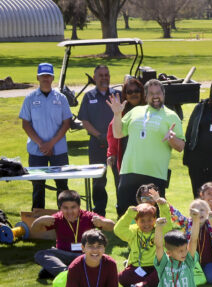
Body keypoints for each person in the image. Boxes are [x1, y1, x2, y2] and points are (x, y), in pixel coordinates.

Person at [106, 79, 184, 216]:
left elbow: (180, 146)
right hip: (129, 171)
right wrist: (117, 114)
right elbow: (118, 133)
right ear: (146, 96)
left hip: (155, 174)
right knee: (126, 213)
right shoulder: (135, 111)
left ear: (163, 94)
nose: (155, 96)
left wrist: (172, 139)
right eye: (151, 93)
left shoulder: (172, 116)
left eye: (158, 92)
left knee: (153, 215)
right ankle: (127, 238)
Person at [144, 208, 207, 287]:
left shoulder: (188, 261)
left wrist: (195, 220)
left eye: (185, 249)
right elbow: (159, 246)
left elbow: (193, 240)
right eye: (180, 251)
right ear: (169, 252)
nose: (184, 253)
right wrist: (158, 227)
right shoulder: (164, 262)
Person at [20, 62, 72, 209]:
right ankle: (38, 222)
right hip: (37, 151)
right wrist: (42, 144)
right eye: (43, 75)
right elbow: (26, 124)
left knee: (62, 186)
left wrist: (51, 144)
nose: (46, 78)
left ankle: (64, 219)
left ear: (53, 77)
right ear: (37, 77)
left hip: (59, 150)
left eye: (48, 75)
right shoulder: (29, 98)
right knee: (38, 187)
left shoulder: (61, 98)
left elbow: (66, 123)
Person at [32, 189, 115, 279]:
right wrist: (39, 221)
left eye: (73, 207)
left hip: (84, 255)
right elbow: (34, 230)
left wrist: (102, 222)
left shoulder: (88, 216)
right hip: (64, 255)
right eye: (65, 208)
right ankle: (67, 272)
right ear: (60, 208)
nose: (70, 212)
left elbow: (112, 226)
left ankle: (62, 272)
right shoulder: (57, 218)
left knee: (97, 257)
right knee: (40, 254)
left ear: (79, 206)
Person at [78, 65, 119, 216]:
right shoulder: (88, 97)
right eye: (101, 75)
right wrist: (100, 136)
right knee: (98, 180)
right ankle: (99, 212)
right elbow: (85, 121)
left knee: (120, 178)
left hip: (117, 145)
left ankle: (122, 210)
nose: (104, 78)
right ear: (94, 78)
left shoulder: (117, 95)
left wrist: (112, 138)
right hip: (97, 143)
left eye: (106, 75)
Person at [114, 202, 163, 287]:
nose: (146, 224)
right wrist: (129, 214)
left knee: (164, 272)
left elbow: (168, 225)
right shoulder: (133, 231)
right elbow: (118, 230)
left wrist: (164, 207)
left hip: (155, 266)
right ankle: (151, 282)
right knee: (122, 278)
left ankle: (142, 286)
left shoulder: (159, 229)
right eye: (142, 221)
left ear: (155, 219)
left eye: (150, 220)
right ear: (136, 221)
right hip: (138, 266)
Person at [106, 77, 145, 191]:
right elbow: (112, 134)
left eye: (136, 91)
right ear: (125, 95)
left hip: (145, 160)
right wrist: (111, 154)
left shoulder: (149, 109)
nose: (133, 94)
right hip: (125, 159)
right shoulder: (121, 112)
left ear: (142, 92)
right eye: (129, 92)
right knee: (125, 193)